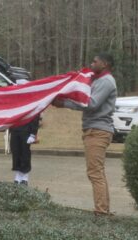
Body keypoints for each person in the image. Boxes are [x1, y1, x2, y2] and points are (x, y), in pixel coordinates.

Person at [52, 52, 117, 216]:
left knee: (95, 173)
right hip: (94, 130)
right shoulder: (98, 80)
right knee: (97, 172)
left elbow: (92, 103)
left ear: (105, 64)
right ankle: (103, 210)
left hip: (98, 131)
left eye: (95, 61)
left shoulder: (106, 81)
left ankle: (101, 212)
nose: (91, 64)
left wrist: (65, 103)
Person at [9, 115, 40, 186]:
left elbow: (35, 114)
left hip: (26, 129)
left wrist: (33, 134)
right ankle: (18, 175)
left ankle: (25, 177)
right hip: (15, 129)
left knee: (25, 153)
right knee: (15, 152)